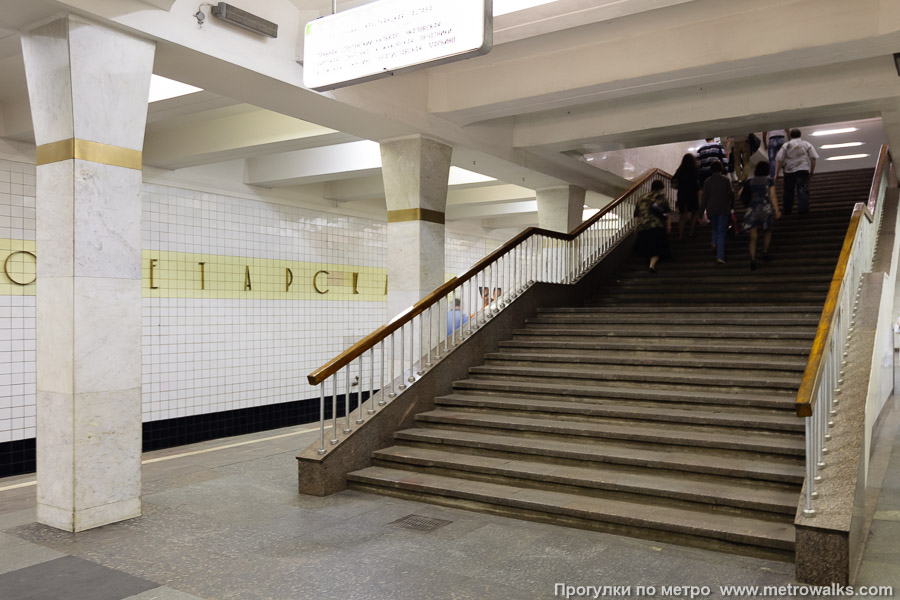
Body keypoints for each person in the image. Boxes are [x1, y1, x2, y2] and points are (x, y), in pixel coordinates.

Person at [740, 160, 782, 271]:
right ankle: (764, 251)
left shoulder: (750, 181)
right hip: (765, 209)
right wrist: (776, 210)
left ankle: (752, 259)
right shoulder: (769, 181)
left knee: (753, 237)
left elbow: (740, 193)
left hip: (753, 209)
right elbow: (772, 195)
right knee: (768, 230)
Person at [775, 129, 818, 215]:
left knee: (788, 191)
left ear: (790, 135)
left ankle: (787, 210)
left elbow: (779, 160)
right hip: (803, 169)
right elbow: (813, 158)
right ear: (800, 135)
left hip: (789, 171)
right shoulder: (806, 144)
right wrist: (811, 171)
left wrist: (776, 174)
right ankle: (803, 210)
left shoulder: (786, 145)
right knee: (803, 190)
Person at [699, 160, 734, 264]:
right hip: (723, 208)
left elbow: (704, 198)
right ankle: (720, 256)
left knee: (715, 227)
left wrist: (700, 213)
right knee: (721, 231)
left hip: (711, 209)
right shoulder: (726, 180)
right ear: (721, 168)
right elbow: (731, 195)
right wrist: (732, 207)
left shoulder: (707, 181)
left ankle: (714, 242)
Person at [633, 179, 671, 273]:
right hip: (656, 226)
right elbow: (667, 213)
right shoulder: (661, 198)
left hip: (643, 226)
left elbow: (636, 214)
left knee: (648, 246)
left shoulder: (642, 197)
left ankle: (649, 263)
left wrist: (636, 226)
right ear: (661, 189)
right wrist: (669, 224)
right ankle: (652, 265)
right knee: (657, 247)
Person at [672, 153, 700, 240]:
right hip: (692, 194)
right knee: (694, 213)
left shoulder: (679, 170)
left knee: (682, 215)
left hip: (682, 194)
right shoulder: (694, 170)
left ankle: (680, 235)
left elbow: (673, 181)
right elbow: (697, 183)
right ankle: (691, 233)